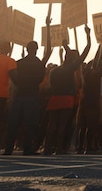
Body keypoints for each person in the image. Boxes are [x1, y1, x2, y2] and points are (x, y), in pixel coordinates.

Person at [43, 26, 91, 155]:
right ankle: (59, 148)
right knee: (62, 125)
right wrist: (88, 37)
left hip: (54, 98)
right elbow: (85, 52)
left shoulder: (54, 71)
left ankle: (47, 147)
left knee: (51, 124)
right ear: (72, 59)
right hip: (66, 99)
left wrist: (65, 47)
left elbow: (50, 86)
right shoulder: (70, 69)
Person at [4, 34, 51, 155]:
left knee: (14, 124)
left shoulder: (19, 63)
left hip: (20, 95)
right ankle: (27, 148)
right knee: (31, 124)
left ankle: (8, 149)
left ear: (26, 49)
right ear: (36, 50)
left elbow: (12, 75)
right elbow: (49, 50)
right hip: (32, 95)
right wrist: (48, 26)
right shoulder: (39, 63)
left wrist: (19, 84)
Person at [76, 42, 102, 154]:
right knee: (91, 127)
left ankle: (81, 147)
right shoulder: (96, 73)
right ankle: (89, 147)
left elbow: (98, 57)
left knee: (83, 127)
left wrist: (101, 44)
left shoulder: (85, 73)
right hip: (92, 104)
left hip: (84, 103)